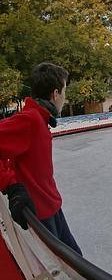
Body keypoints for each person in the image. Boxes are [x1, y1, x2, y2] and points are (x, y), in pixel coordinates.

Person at [0, 63, 82, 255]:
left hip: (53, 208)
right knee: (66, 271)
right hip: (41, 215)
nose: (65, 97)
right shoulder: (30, 119)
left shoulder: (39, 119)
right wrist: (11, 186)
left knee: (77, 262)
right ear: (55, 94)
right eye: (64, 92)